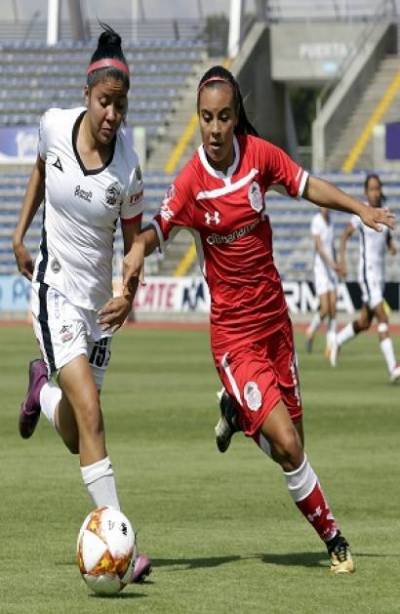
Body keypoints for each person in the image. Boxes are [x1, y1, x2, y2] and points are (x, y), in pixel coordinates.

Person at [113, 65, 394, 575]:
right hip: (235, 339)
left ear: (236, 115)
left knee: (294, 449)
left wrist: (359, 209)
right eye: (205, 118)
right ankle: (335, 540)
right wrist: (137, 253)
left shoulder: (260, 159)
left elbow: (308, 185)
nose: (215, 128)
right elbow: (160, 225)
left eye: (223, 117)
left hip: (276, 328)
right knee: (288, 447)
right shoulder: (193, 180)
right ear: (197, 120)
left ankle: (238, 413)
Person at [12, 25, 151, 582]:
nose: (112, 114)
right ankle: (119, 541)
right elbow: (42, 170)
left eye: (120, 104)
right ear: (87, 94)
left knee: (75, 430)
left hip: (99, 310)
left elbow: (137, 240)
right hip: (54, 292)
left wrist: (126, 295)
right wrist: (20, 235)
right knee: (93, 414)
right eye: (104, 102)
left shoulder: (129, 170)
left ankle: (40, 390)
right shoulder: (53, 125)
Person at [329, 173, 400, 381]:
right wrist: (341, 261)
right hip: (367, 274)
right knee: (383, 317)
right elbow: (344, 236)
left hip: (380, 275)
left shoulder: (384, 211)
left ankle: (337, 340)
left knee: (365, 322)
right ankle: (393, 367)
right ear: (366, 192)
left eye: (378, 188)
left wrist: (391, 247)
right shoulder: (360, 213)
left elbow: (385, 237)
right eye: (372, 189)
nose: (375, 192)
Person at [305, 208, 341, 354]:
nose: (325, 208)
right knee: (325, 308)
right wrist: (331, 263)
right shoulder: (316, 221)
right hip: (321, 269)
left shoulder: (331, 221)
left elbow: (331, 246)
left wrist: (337, 264)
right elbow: (318, 247)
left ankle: (330, 345)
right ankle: (311, 330)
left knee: (333, 307)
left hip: (331, 269)